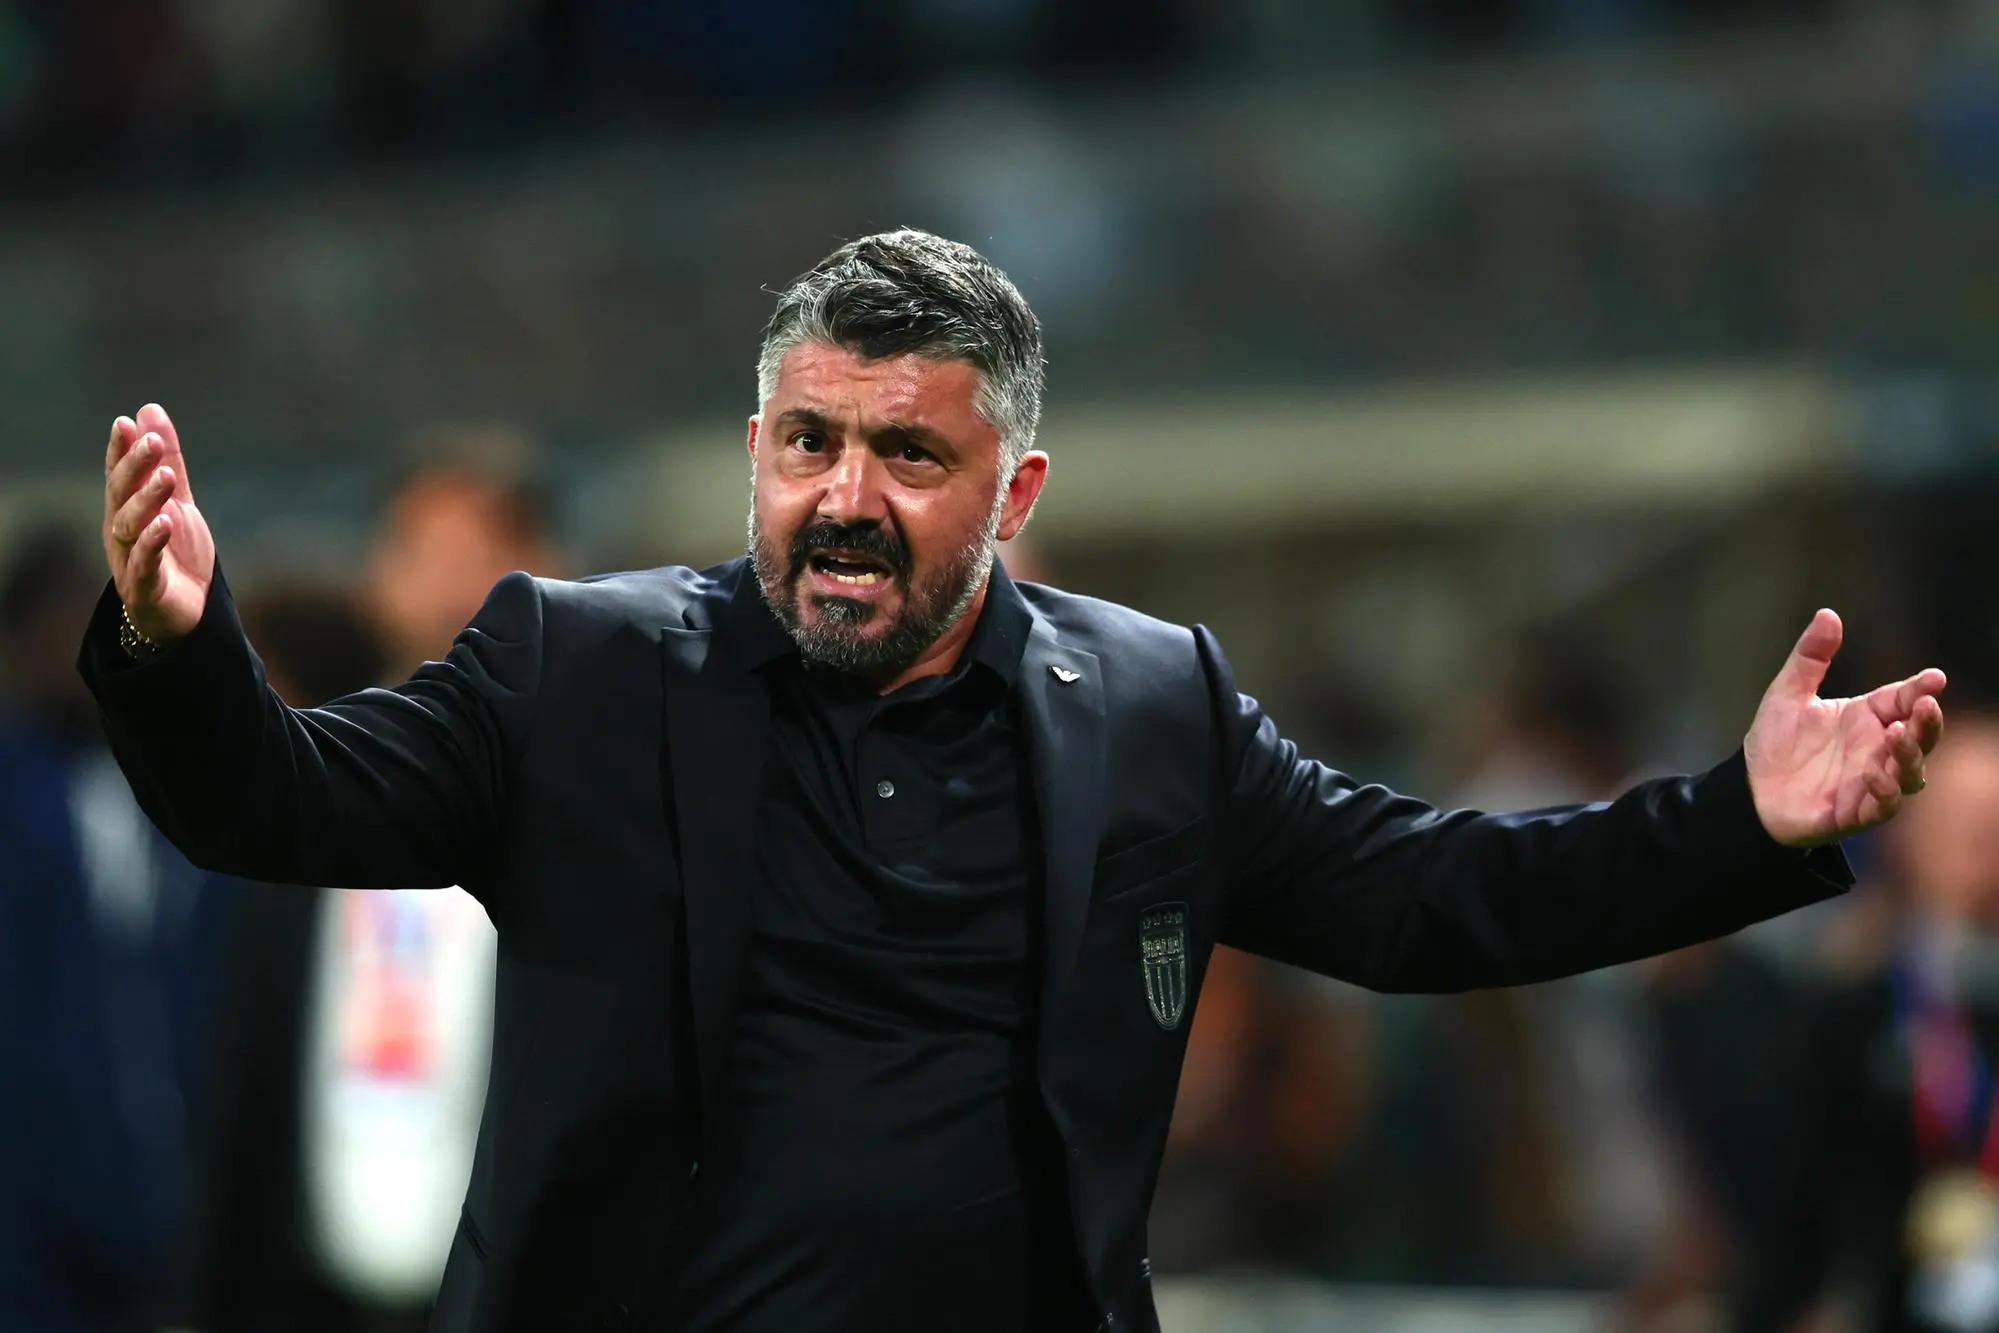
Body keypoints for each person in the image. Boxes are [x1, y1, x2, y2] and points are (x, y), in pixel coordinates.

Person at [79, 229, 1944, 1333]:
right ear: (753, 451)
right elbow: (273, 804)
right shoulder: (571, 670)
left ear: (1015, 497)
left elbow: (1427, 894)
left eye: (905, 451)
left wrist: (1741, 819)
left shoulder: (1147, 705)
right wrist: (179, 644)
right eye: (808, 440)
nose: (843, 496)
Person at [0, 523, 220, 1332]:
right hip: (32, 1239)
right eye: (62, 621)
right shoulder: (16, 795)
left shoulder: (184, 781)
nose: (82, 647)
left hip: (176, 1211)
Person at [1744, 710, 1999, 1333]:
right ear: (1908, 837)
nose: (1983, 850)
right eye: (1961, 825)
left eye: (1994, 827)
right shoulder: (1851, 1012)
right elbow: (1796, 1206)